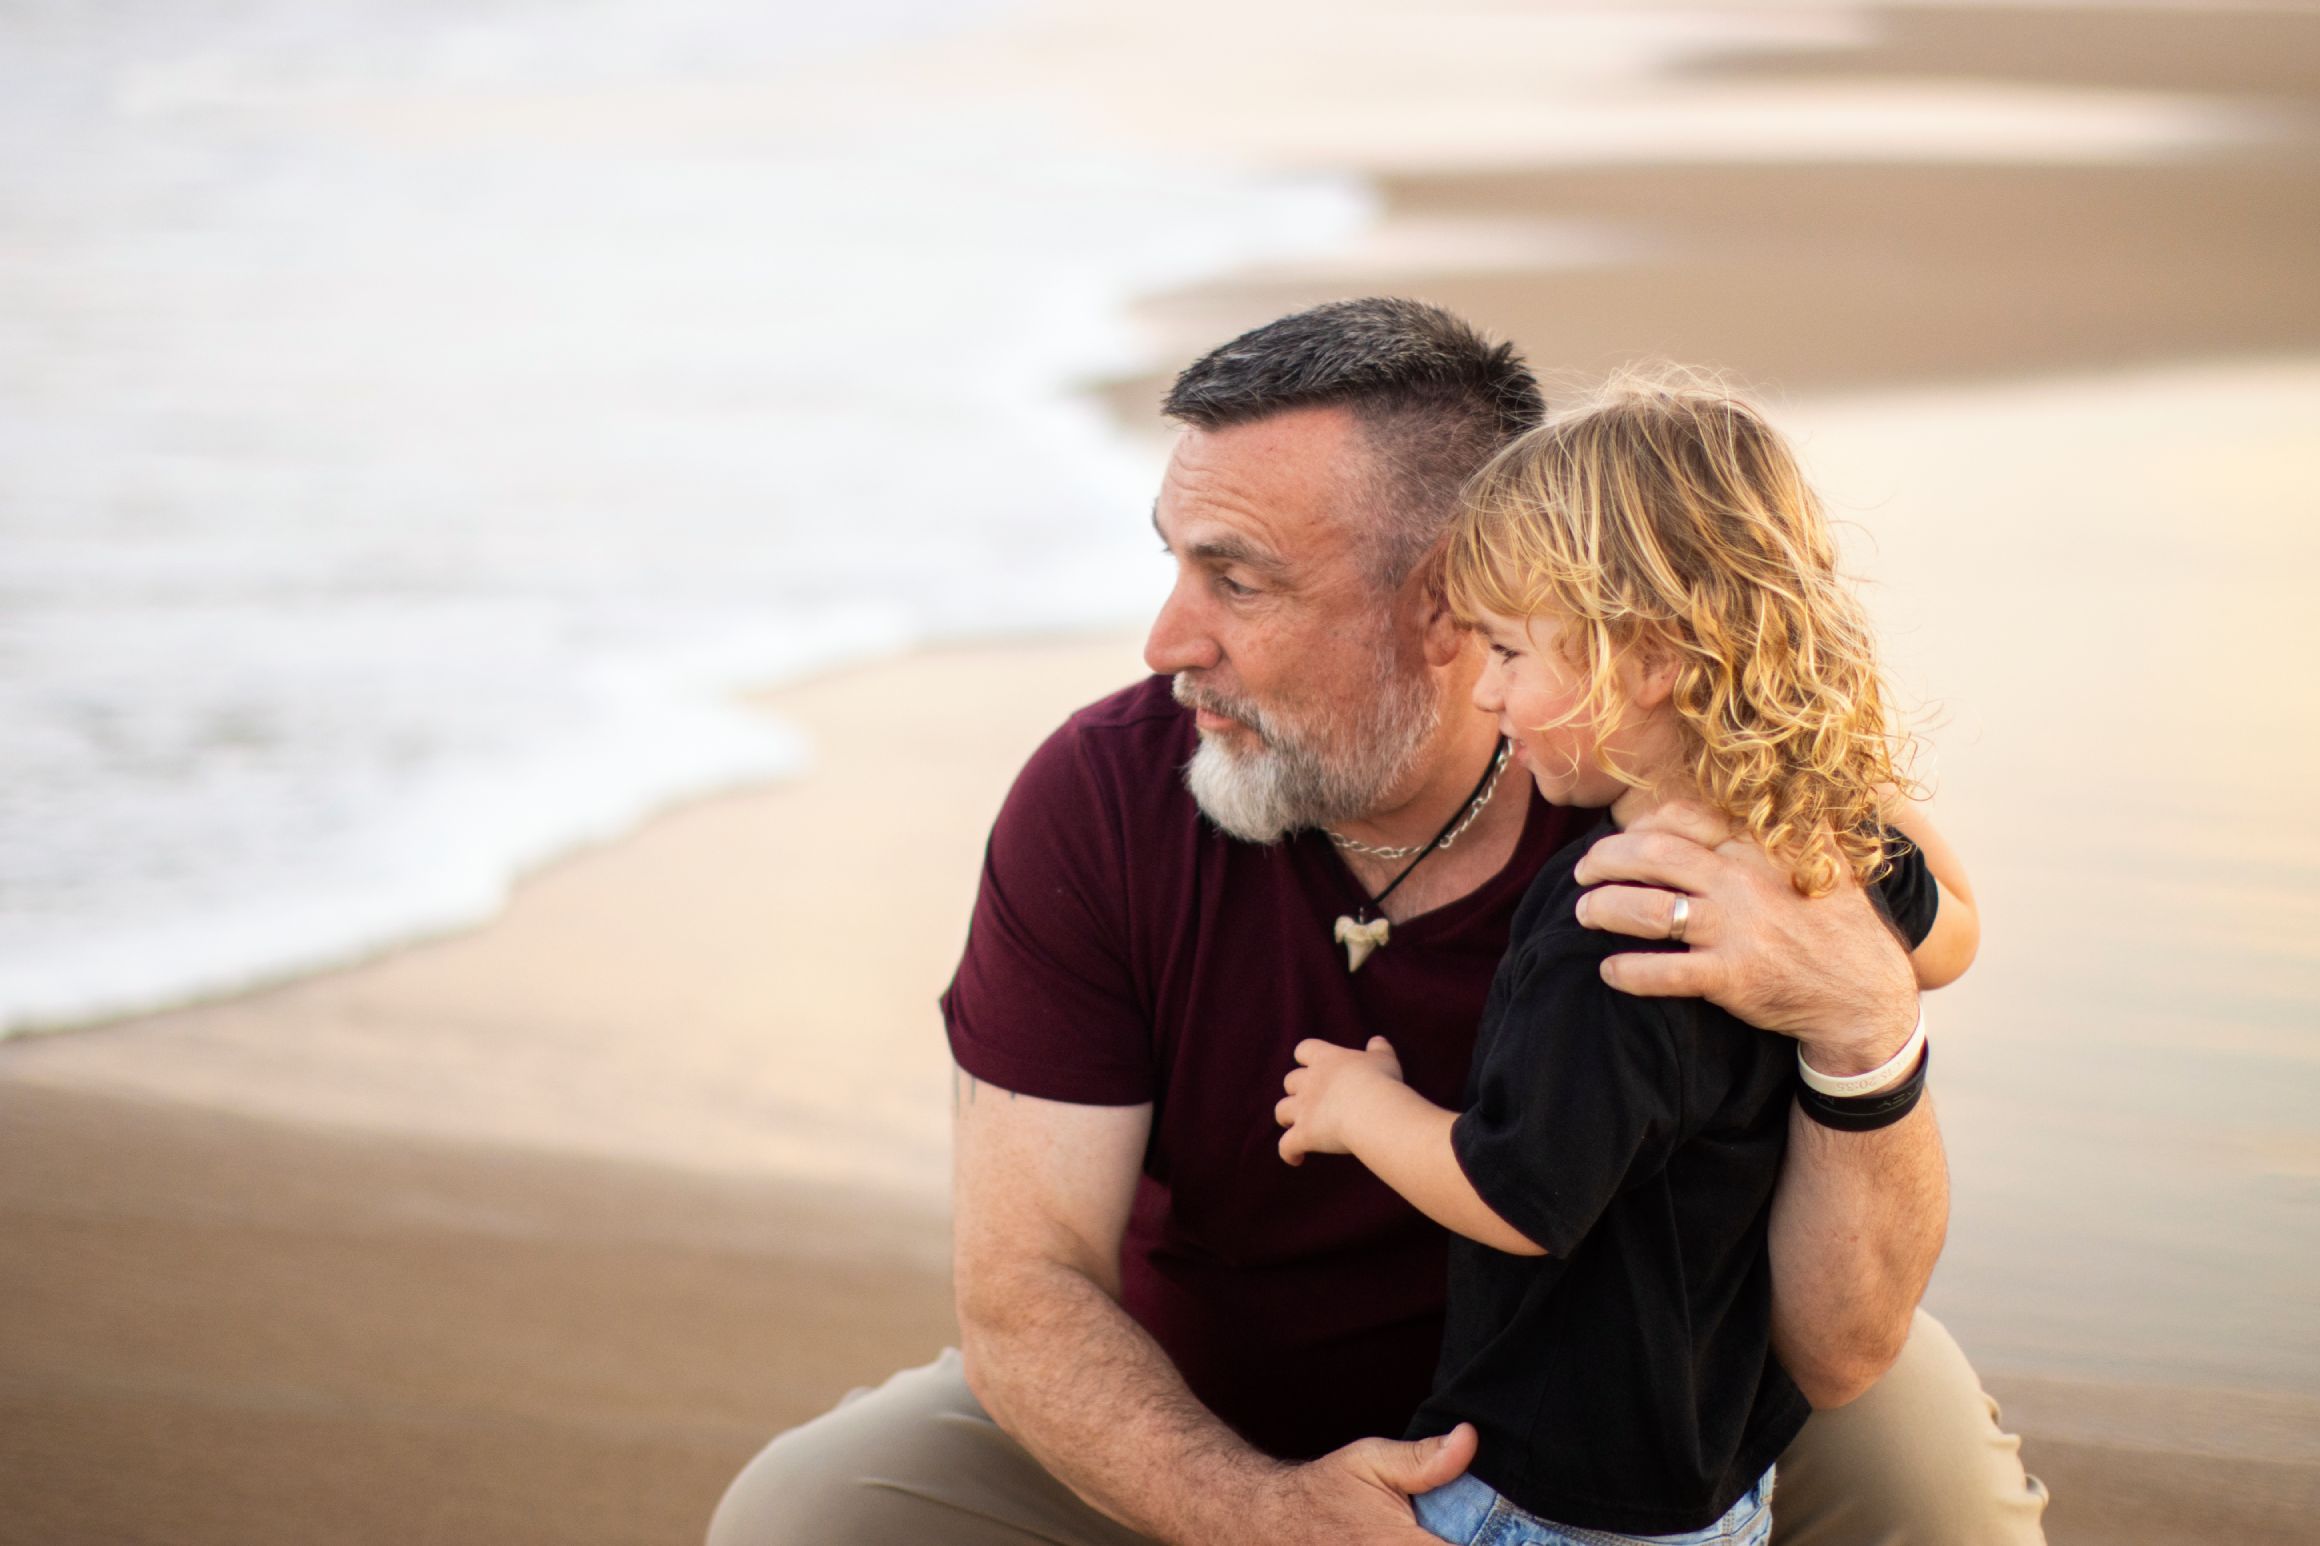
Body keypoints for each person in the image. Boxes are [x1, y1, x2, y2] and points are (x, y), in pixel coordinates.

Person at [706, 299, 2048, 1546]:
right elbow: (1026, 1286)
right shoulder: (1104, 794)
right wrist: (1260, 1509)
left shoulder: (1686, 782)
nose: (1168, 639)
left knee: (1939, 1502)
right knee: (807, 1513)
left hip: (1667, 1400)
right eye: (1174, 563)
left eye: (1237, 579)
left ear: (1454, 604)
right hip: (1215, 1404)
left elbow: (1844, 1342)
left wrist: (1863, 1011)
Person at [1271, 372, 1981, 1546]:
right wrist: (1846, 792)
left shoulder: (1622, 907)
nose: (1486, 692)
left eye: (1509, 650)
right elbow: (1950, 922)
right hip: (1720, 1478)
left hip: (1545, 1495)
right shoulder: (1823, 838)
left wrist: (1364, 1105)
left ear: (1647, 658)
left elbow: (1520, 1195)